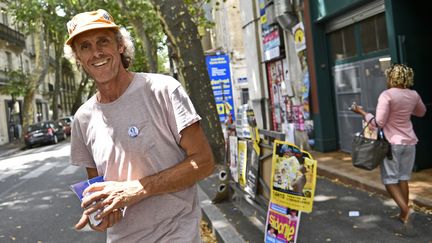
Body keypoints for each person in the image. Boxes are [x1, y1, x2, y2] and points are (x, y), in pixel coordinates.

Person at [65, 9, 215, 242]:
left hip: (176, 234)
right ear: (78, 58)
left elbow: (204, 162)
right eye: (85, 46)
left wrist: (137, 189)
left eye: (103, 41)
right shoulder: (83, 118)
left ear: (120, 46)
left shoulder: (163, 90)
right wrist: (101, 215)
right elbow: (99, 191)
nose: (96, 52)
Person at [351, 64, 426, 224]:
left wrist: (362, 112)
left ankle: (407, 210)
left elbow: (378, 123)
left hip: (392, 144)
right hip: (410, 142)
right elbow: (421, 112)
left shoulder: (387, 95)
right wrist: (405, 110)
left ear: (391, 77)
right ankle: (403, 214)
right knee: (403, 178)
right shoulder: (414, 94)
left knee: (390, 180)